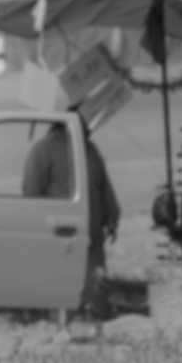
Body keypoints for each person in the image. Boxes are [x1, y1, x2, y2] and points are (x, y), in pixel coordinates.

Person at [22, 114, 121, 316]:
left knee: (78, 290)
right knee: (81, 292)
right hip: (74, 237)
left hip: (75, 237)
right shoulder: (50, 150)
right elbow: (32, 197)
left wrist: (112, 218)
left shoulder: (85, 150)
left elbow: (30, 197)